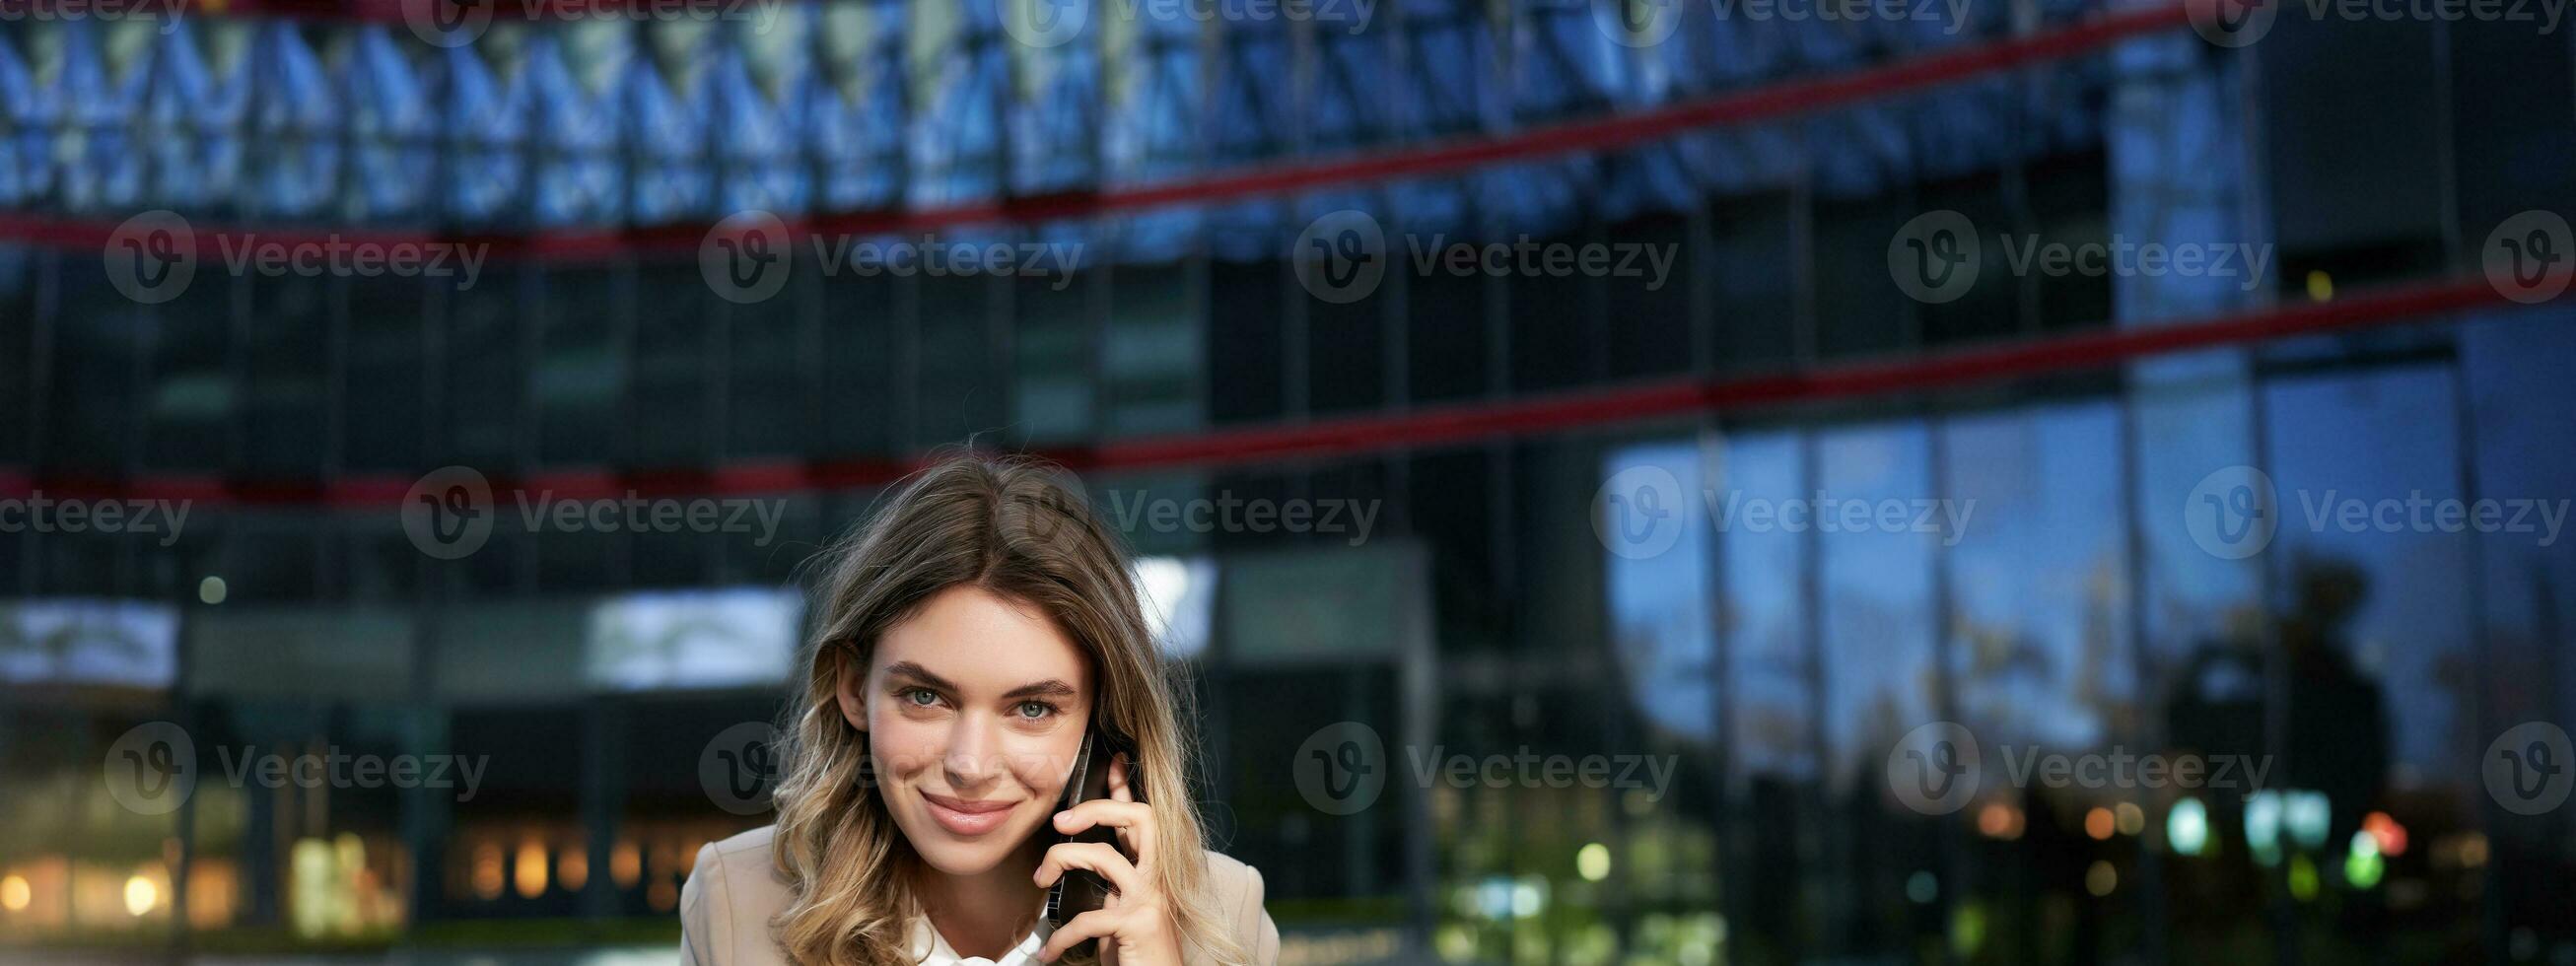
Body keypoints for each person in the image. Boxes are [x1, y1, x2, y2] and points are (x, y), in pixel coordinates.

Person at [680, 451, 1280, 965]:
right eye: (925, 697)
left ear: (1101, 721)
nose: (970, 765)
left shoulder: (1223, 915)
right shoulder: (738, 899)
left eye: (1033, 709)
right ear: (853, 688)